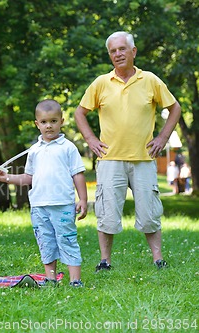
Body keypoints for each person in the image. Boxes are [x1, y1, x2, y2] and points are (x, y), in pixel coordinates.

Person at [74, 31, 182, 271]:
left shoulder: (150, 80)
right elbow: (79, 113)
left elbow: (175, 108)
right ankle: (105, 261)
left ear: (133, 51)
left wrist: (163, 137)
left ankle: (157, 259)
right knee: (107, 213)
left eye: (122, 49)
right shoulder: (101, 83)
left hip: (144, 158)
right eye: (112, 51)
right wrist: (90, 139)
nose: (117, 54)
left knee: (149, 212)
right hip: (110, 159)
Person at [0, 99, 88, 287]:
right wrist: (6, 178)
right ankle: (50, 279)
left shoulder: (68, 148)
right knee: (46, 242)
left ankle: (75, 280)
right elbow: (29, 177)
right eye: (44, 122)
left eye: (53, 121)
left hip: (62, 204)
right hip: (39, 206)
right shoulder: (34, 150)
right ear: (37, 124)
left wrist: (83, 199)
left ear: (61, 121)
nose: (49, 126)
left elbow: (78, 174)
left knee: (67, 240)